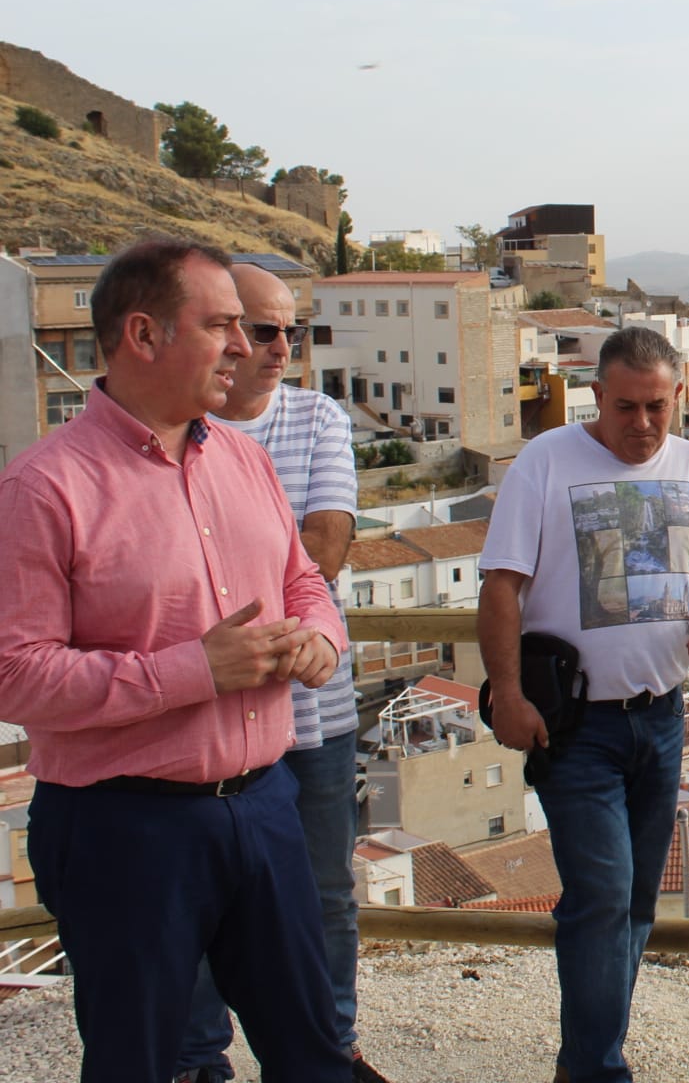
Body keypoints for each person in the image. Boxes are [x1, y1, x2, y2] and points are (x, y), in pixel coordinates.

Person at [0, 238, 350, 1082]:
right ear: (144, 335)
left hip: (266, 805)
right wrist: (196, 670)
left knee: (313, 1051)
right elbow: (15, 675)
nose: (244, 345)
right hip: (123, 828)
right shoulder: (44, 488)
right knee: (143, 1061)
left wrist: (320, 639)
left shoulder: (244, 458)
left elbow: (306, 581)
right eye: (222, 324)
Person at [478, 325, 689, 1083]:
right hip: (575, 725)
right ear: (597, 397)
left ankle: (591, 1055)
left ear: (679, 398)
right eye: (626, 408)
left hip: (663, 718)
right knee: (603, 896)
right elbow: (501, 587)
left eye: (657, 409)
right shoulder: (544, 463)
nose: (642, 425)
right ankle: (596, 1068)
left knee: (635, 903)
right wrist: (506, 694)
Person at [174, 263, 387, 1083]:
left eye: (290, 331)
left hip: (313, 710)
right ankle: (201, 1058)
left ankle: (327, 1047)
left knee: (326, 893)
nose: (278, 347)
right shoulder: (177, 429)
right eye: (262, 330)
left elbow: (327, 550)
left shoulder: (315, 417)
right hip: (207, 716)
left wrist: (216, 601)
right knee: (197, 897)